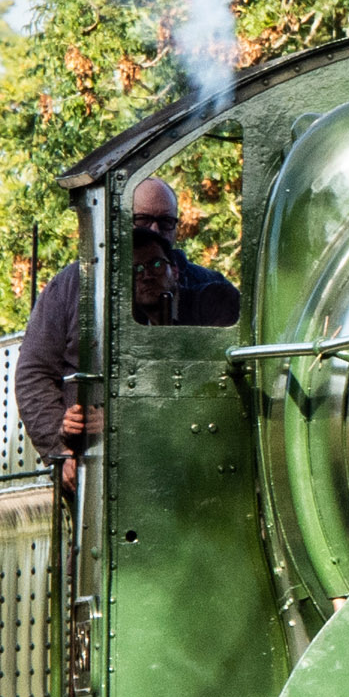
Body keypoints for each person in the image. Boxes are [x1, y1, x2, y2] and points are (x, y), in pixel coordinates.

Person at [14, 176, 237, 491]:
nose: (155, 231)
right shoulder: (70, 286)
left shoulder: (208, 291)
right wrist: (62, 450)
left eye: (166, 222)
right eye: (143, 221)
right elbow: (33, 373)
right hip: (94, 469)